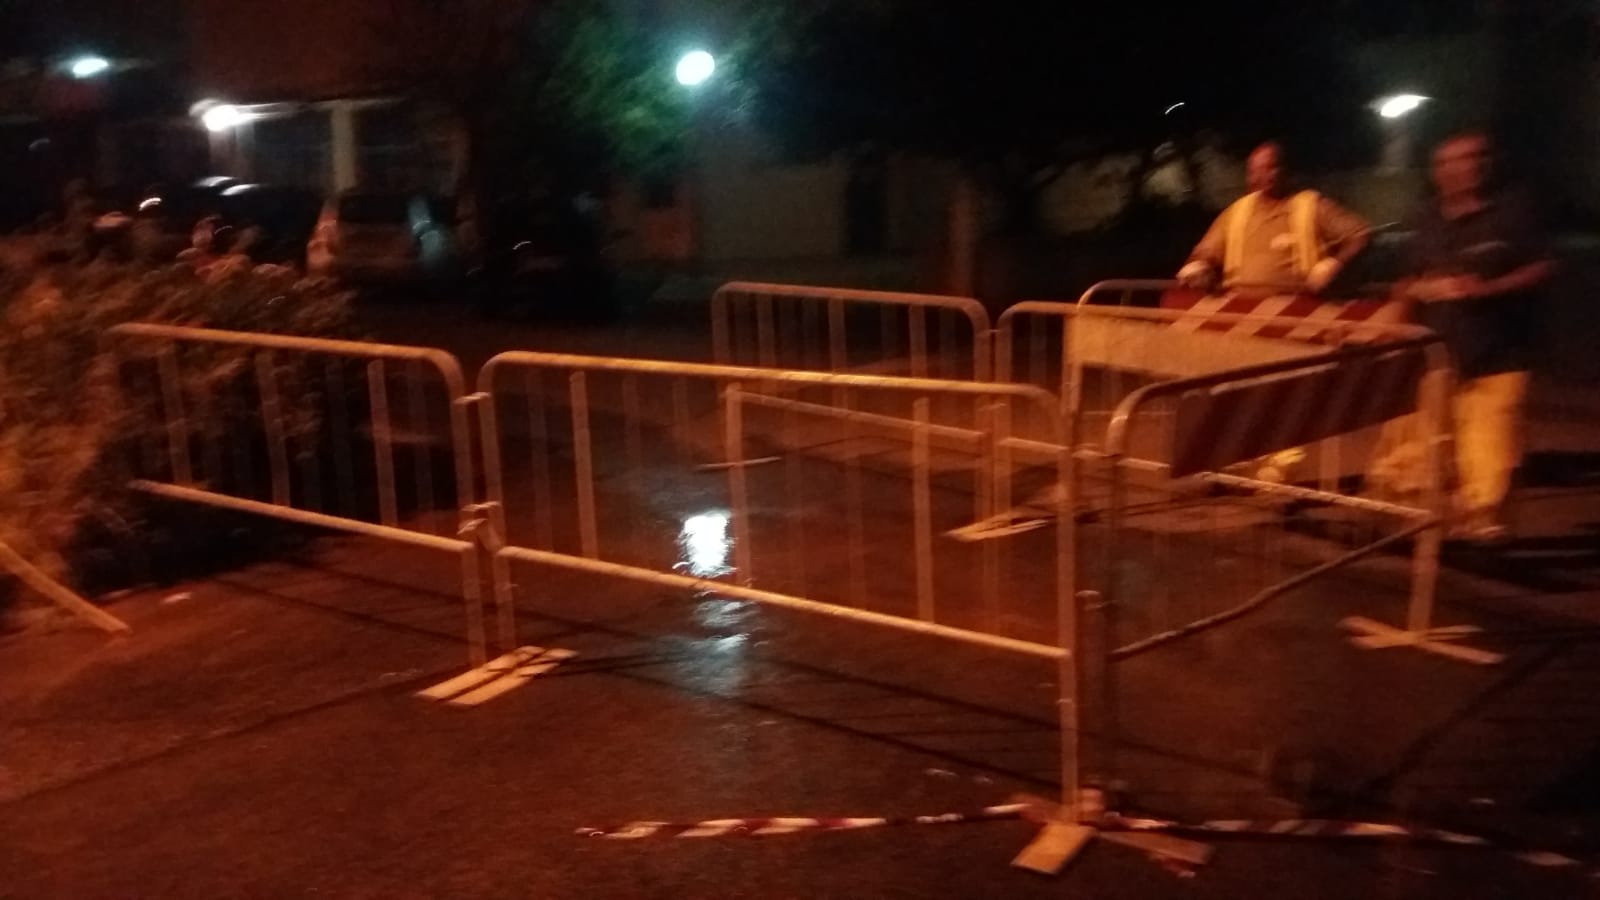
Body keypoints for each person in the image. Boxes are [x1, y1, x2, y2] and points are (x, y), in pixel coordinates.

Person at [1394, 130, 1555, 542]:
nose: (1461, 168)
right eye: (1448, 162)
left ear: (1487, 163)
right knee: (1433, 438)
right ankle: (1437, 519)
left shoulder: (1513, 212)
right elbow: (1409, 277)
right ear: (1436, 171)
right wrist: (1401, 315)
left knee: (1491, 439)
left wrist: (1488, 288)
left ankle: (1484, 518)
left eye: (1471, 158)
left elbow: (1542, 266)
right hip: (1437, 349)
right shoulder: (1426, 219)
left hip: (1500, 350)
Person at [1178, 142, 1371, 294]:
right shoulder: (1236, 212)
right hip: (1238, 310)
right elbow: (1205, 252)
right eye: (1256, 170)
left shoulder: (1312, 205)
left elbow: (1360, 235)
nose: (1263, 176)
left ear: (1285, 169)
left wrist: (1335, 265)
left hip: (1299, 309)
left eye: (1270, 167)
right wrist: (1196, 266)